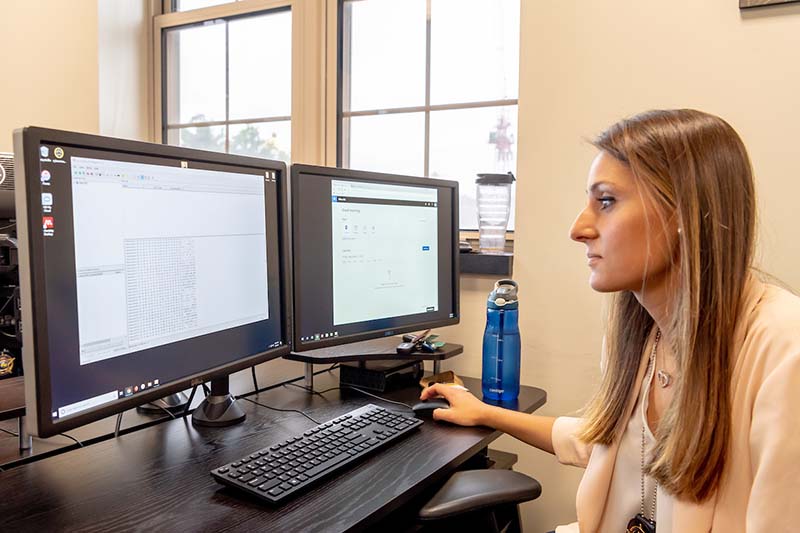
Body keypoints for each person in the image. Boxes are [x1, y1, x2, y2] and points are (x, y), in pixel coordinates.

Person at [421, 109, 800, 532]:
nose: (578, 228)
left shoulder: (784, 350)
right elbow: (605, 442)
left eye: (606, 201)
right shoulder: (643, 338)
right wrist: (488, 413)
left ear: (684, 214)